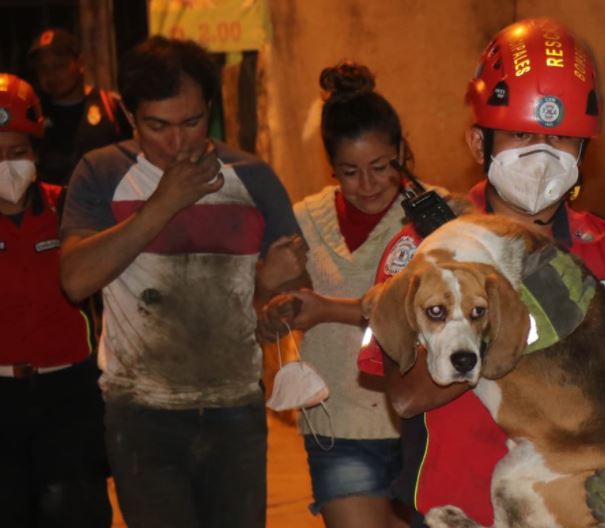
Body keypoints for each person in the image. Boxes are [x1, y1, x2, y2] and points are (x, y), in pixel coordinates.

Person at [355, 18, 605, 528]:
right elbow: (406, 393)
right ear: (481, 144)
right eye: (522, 133)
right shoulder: (423, 253)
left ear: (584, 152)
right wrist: (510, 313)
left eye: (562, 139)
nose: (543, 155)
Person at [58, 36, 306, 528]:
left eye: (191, 123)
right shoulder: (102, 172)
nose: (177, 143)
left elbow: (289, 296)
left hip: (235, 408)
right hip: (140, 411)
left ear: (209, 110)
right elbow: (76, 279)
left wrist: (271, 287)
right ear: (131, 117)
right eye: (158, 127)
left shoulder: (252, 177)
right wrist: (165, 203)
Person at [256, 62, 448, 528]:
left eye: (380, 167)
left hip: (425, 423)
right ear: (331, 167)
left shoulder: (440, 217)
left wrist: (326, 309)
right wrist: (270, 294)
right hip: (336, 425)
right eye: (350, 172)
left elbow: (439, 315)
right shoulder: (304, 219)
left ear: (401, 151)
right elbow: (260, 318)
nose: (367, 185)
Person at [0, 73, 111, 527]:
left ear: (36, 153)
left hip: (70, 396)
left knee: (77, 513)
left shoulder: (71, 210)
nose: (6, 165)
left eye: (16, 153)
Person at [28, 27, 132, 186]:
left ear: (80, 63)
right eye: (43, 68)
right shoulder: (32, 112)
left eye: (59, 66)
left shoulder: (110, 105)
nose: (51, 74)